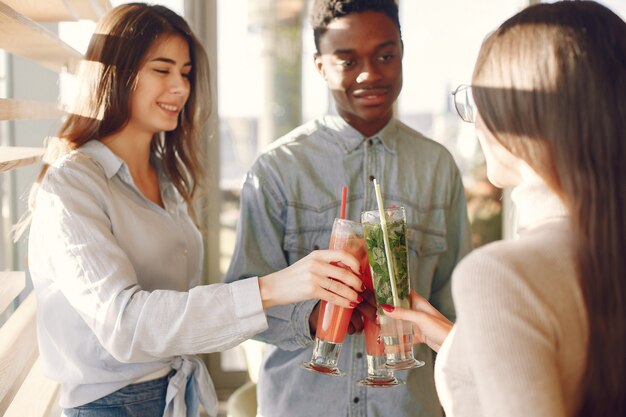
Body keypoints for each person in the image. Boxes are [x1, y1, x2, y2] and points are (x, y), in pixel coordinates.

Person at [24, 4, 366, 417]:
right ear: (115, 73)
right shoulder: (71, 184)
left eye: (185, 73)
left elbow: (180, 313)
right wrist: (276, 286)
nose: (180, 88)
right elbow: (124, 326)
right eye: (162, 70)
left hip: (177, 395)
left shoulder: (166, 181)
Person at [224, 0, 473, 416]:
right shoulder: (278, 168)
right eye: (347, 60)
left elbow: (455, 303)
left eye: (385, 56)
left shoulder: (438, 167)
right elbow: (244, 301)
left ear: (402, 54)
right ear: (320, 66)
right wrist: (309, 317)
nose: (369, 74)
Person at [384, 1, 626, 416]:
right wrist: (465, 338)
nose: (475, 121)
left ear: (521, 115)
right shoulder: (600, 244)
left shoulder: (501, 274)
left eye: (478, 99)